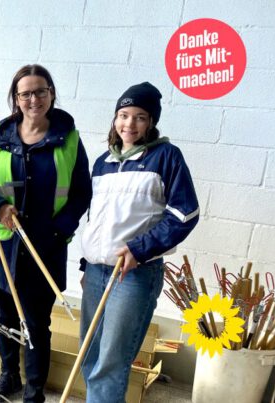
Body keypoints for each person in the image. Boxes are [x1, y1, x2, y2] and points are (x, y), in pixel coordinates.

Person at [0, 64, 91, 402]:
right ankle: (9, 375)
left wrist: (59, 231)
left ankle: (34, 390)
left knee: (37, 322)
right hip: (3, 244)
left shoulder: (68, 138)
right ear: (16, 98)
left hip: (45, 246)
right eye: (26, 93)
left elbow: (81, 192)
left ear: (51, 93)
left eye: (40, 91)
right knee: (6, 316)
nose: (33, 99)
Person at [79, 82, 199, 403]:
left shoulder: (166, 156)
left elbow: (185, 214)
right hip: (95, 272)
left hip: (133, 274)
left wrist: (138, 249)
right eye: (123, 115)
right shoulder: (103, 161)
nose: (129, 124)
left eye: (139, 117)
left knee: (111, 362)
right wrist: (85, 263)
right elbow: (96, 219)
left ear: (151, 122)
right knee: (88, 355)